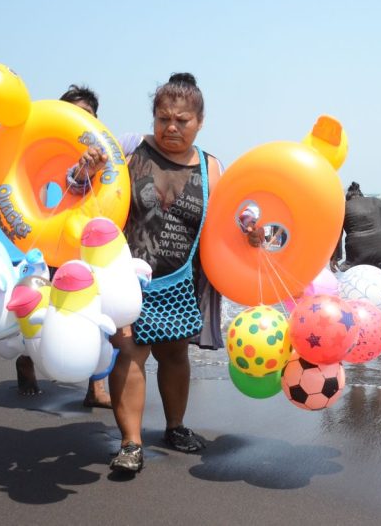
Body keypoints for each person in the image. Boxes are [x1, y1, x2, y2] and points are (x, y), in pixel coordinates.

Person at [74, 73, 244, 474]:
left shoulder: (211, 167)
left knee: (174, 353)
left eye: (181, 120)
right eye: (163, 118)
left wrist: (252, 236)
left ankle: (175, 427)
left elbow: (225, 223)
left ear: (200, 122)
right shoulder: (130, 151)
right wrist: (86, 170)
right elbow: (83, 190)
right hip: (126, 277)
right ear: (153, 118)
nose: (171, 127)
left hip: (181, 278)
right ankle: (131, 443)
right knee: (130, 352)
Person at [15, 83, 111, 407]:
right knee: (50, 309)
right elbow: (69, 181)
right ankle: (28, 359)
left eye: (89, 115)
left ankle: (95, 388)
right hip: (56, 241)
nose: (81, 121)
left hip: (88, 244)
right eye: (74, 114)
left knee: (97, 309)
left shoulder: (106, 156)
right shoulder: (54, 152)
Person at [330, 182, 381, 334]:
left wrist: (335, 257)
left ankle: (357, 324)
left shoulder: (344, 208)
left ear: (348, 198)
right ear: (361, 195)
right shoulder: (378, 202)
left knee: (356, 288)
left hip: (357, 251)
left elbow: (337, 234)